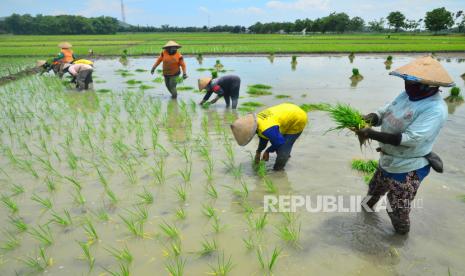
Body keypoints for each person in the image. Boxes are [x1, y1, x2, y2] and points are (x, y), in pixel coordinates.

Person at [356, 56, 454, 234]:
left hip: (407, 167)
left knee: (396, 209)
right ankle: (363, 222)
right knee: (372, 194)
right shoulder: (406, 95)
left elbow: (410, 139)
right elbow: (385, 111)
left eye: (412, 82)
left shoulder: (435, 109)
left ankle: (400, 240)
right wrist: (369, 119)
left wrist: (371, 134)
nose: (407, 86)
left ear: (429, 85)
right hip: (387, 160)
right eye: (407, 81)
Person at [230, 103, 308, 170]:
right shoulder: (257, 122)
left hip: (298, 118)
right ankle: (287, 156)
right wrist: (259, 151)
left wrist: (268, 151)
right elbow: (263, 139)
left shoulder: (266, 129)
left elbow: (279, 141)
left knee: (283, 147)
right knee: (276, 139)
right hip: (287, 110)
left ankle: (279, 171)